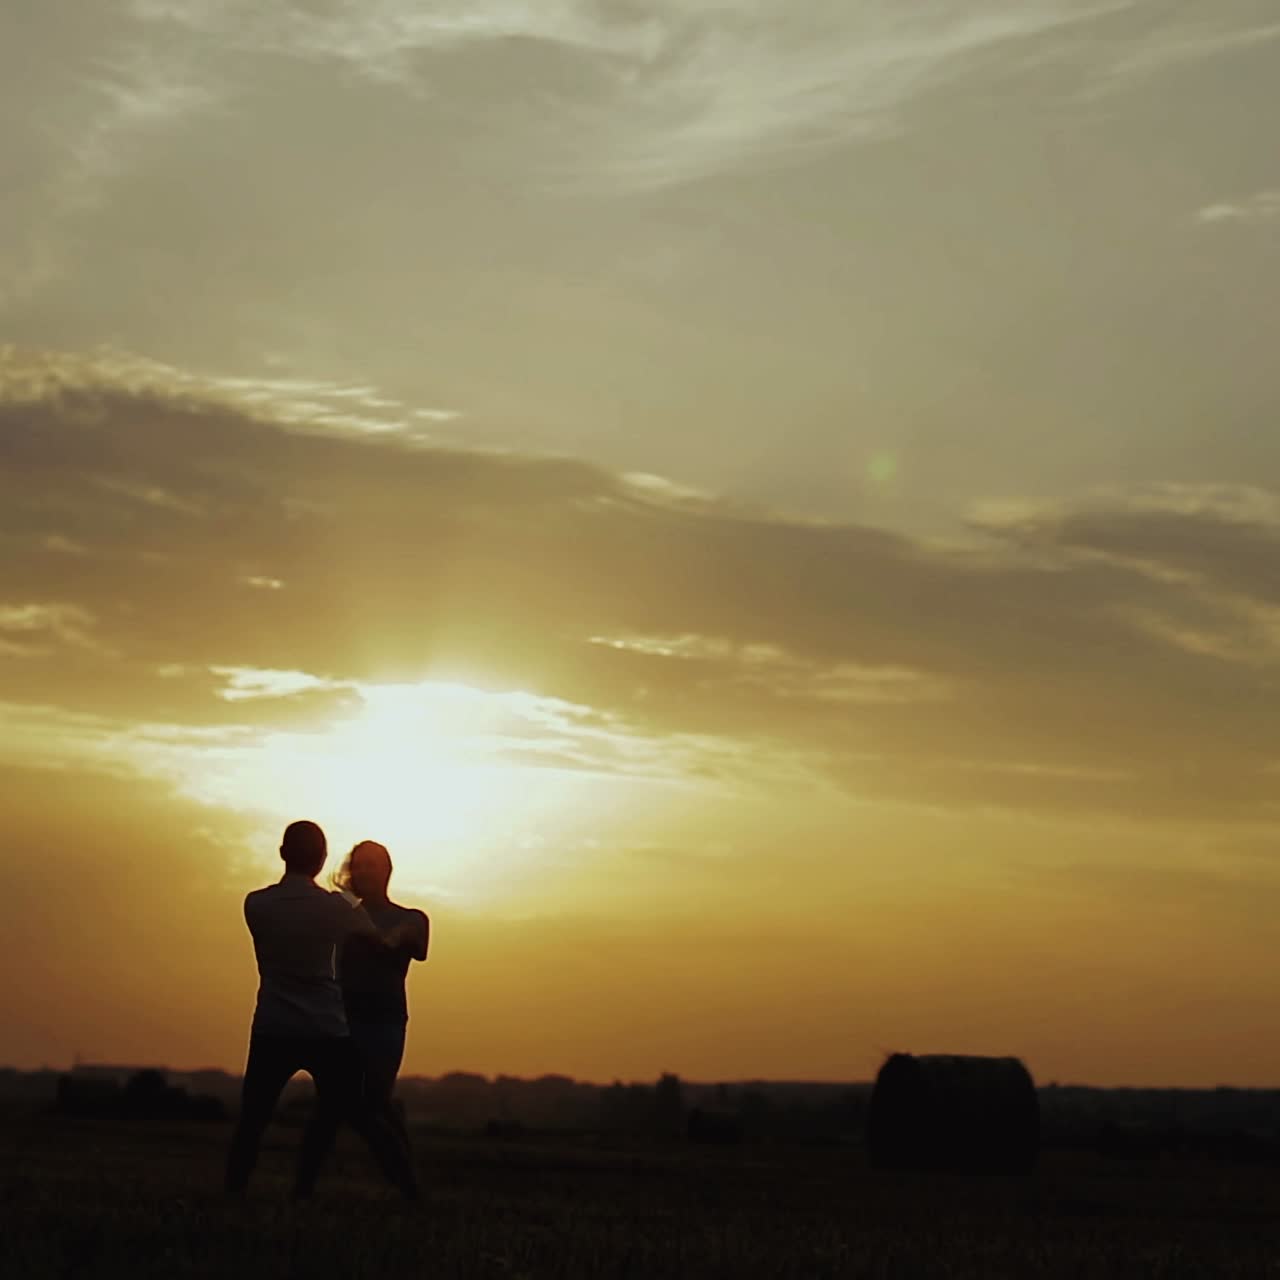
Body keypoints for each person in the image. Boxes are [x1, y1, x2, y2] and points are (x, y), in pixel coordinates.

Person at [223, 820, 419, 1200]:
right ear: (322, 859)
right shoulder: (337, 907)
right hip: (327, 1029)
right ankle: (412, 1193)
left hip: (273, 1025)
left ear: (282, 854)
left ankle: (233, 1194)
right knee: (366, 1117)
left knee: (253, 1120)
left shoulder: (256, 903)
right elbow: (374, 939)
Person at [333, 840, 429, 1147]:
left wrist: (384, 938)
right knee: (333, 1106)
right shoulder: (342, 911)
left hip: (384, 1021)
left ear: (387, 870)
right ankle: (302, 1189)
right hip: (341, 1020)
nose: (363, 872)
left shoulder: (411, 917)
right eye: (357, 865)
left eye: (370, 864)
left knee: (374, 1101)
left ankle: (405, 1175)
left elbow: (413, 942)